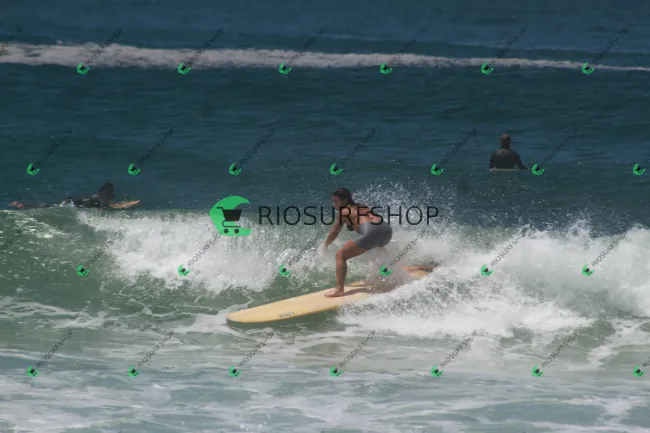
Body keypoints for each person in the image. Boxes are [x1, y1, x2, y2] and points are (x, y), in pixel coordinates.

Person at [322, 188, 393, 297]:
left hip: (371, 232)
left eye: (336, 201)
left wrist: (325, 244)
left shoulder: (344, 212)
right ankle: (390, 276)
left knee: (340, 255)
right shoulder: (362, 206)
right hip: (386, 230)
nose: (334, 204)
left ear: (345, 201)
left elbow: (334, 232)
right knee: (377, 250)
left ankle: (339, 289)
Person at [10, 183, 115, 209]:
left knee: (50, 205)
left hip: (71, 200)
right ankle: (23, 205)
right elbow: (110, 206)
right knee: (51, 206)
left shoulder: (98, 195)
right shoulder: (102, 197)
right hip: (73, 203)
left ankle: (22, 205)